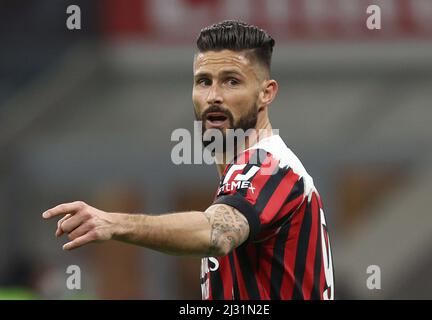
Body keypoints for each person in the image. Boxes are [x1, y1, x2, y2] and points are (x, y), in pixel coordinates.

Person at [42, 20, 334, 300]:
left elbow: (217, 233)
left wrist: (113, 223)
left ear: (265, 93)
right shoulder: (239, 179)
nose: (213, 96)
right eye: (204, 82)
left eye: (232, 81)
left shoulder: (268, 166)